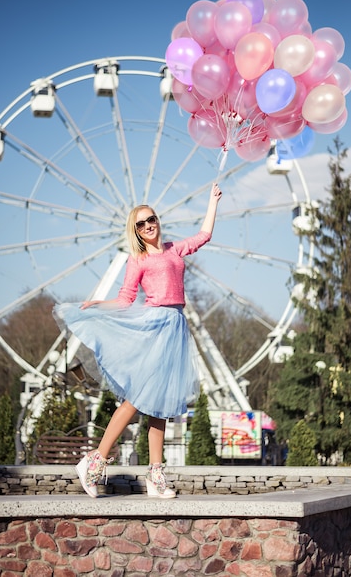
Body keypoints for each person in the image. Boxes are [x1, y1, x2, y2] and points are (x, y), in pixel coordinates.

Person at [53, 183, 222, 499]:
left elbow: (204, 236)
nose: (148, 226)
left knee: (161, 404)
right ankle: (95, 461)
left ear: (158, 220)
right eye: (141, 224)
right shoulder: (138, 260)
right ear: (136, 231)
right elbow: (126, 298)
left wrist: (212, 202)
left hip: (176, 326)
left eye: (151, 219)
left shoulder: (174, 249)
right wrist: (96, 305)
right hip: (154, 324)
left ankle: (156, 476)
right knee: (139, 397)